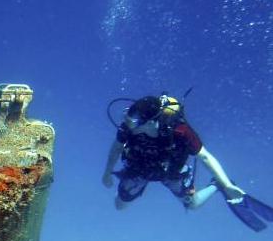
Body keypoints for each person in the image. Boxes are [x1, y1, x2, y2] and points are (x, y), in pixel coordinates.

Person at [102, 94, 273, 231]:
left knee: (194, 205)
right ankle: (218, 185)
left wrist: (226, 184)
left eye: (134, 121)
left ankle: (216, 186)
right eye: (129, 118)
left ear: (152, 121)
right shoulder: (127, 128)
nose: (128, 124)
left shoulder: (180, 131)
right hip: (139, 168)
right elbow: (116, 148)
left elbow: (205, 156)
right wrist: (107, 172)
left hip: (170, 171)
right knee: (120, 206)